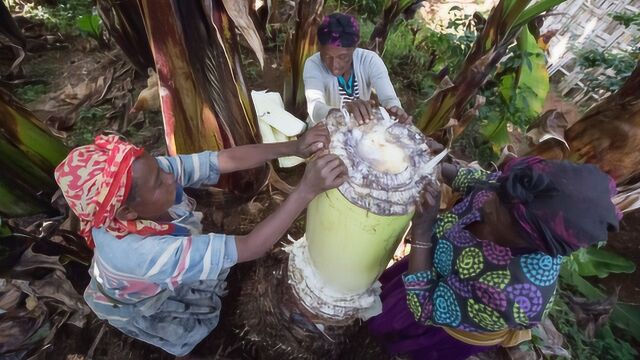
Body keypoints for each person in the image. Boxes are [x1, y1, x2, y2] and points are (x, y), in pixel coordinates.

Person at [53, 123, 347, 357]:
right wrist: (305, 191)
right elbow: (250, 247)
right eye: (158, 182)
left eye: (159, 168)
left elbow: (221, 160)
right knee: (184, 329)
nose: (169, 177)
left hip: (145, 271)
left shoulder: (146, 179)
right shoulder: (141, 254)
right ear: (127, 211)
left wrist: (293, 146)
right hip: (137, 299)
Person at [368, 156, 621, 360]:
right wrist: (433, 163)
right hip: (431, 263)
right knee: (389, 294)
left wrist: (423, 233)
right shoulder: (512, 193)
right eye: (498, 193)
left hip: (445, 325)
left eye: (498, 212)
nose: (488, 202)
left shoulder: (514, 295)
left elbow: (425, 307)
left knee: (399, 330)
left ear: (527, 240)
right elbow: (481, 182)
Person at [303, 13, 411, 126]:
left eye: (343, 57)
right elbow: (315, 108)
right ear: (319, 47)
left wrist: (395, 110)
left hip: (357, 132)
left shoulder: (370, 61)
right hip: (321, 132)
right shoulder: (313, 64)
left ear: (355, 47)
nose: (334, 66)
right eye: (327, 56)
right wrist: (342, 113)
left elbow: (389, 98)